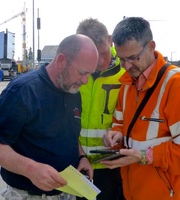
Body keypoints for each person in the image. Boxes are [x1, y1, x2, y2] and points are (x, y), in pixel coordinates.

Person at [102, 17, 180, 200]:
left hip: (171, 194)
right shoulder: (127, 85)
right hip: (134, 192)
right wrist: (116, 134)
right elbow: (120, 124)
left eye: (133, 58)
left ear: (151, 46)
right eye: (121, 59)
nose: (127, 66)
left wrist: (144, 156)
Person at [0, 34, 99, 200]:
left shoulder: (73, 91)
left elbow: (71, 134)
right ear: (61, 61)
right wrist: (31, 169)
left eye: (90, 74)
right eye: (82, 72)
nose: (86, 81)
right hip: (29, 195)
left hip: (68, 192)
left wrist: (82, 157)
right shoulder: (22, 91)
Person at [76, 18, 125, 200]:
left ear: (110, 40)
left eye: (104, 53)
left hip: (113, 167)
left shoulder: (126, 74)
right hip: (78, 166)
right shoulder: (73, 74)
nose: (101, 61)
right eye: (93, 55)